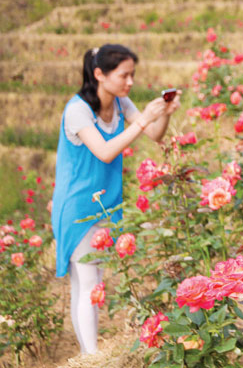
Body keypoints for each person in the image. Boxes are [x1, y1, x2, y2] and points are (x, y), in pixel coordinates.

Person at [51, 44, 180, 354]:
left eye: (132, 75)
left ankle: (87, 354)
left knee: (88, 283)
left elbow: (155, 136)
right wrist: (143, 119)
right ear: (99, 74)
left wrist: (162, 114)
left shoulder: (120, 102)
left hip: (106, 203)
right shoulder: (78, 110)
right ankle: (92, 357)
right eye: (124, 75)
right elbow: (106, 152)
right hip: (78, 207)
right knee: (88, 282)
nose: (130, 82)